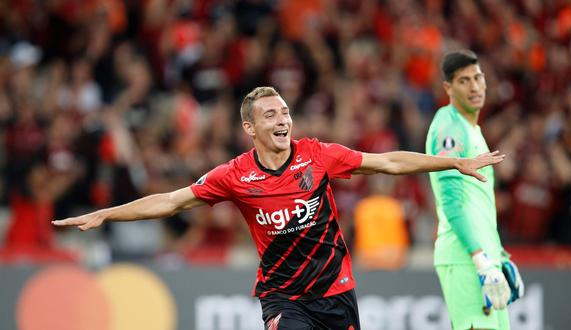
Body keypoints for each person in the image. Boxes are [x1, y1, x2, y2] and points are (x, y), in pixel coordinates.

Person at [54, 86, 504, 329]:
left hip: (337, 293)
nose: (283, 120)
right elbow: (171, 202)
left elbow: (386, 162)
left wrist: (454, 161)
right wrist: (108, 212)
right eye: (270, 115)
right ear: (250, 128)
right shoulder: (234, 174)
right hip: (283, 297)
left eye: (285, 112)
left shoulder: (318, 155)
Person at [425, 50, 525, 330]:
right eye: (463, 81)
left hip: (481, 255)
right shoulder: (450, 128)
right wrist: (481, 261)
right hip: (465, 257)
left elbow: (476, 204)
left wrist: (498, 255)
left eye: (477, 78)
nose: (474, 86)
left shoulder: (471, 129)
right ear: (448, 88)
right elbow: (452, 202)